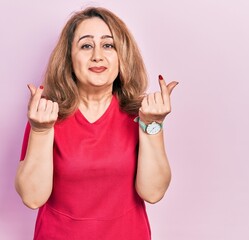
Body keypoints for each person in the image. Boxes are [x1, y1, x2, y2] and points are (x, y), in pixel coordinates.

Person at [15, 6, 178, 240]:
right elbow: (32, 197)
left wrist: (152, 126)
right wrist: (40, 131)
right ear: (69, 58)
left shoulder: (140, 115)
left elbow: (153, 193)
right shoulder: (47, 115)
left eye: (108, 45)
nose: (97, 56)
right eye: (86, 45)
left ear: (122, 56)